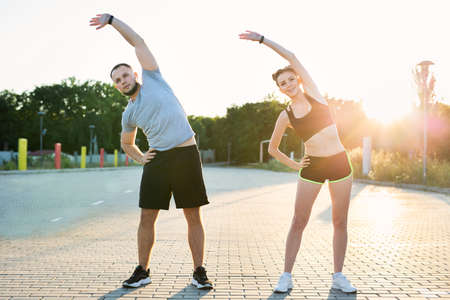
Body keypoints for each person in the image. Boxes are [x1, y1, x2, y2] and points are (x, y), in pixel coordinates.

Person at [89, 13, 213, 290]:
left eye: (124, 75)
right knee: (147, 217)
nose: (122, 81)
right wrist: (141, 157)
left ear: (134, 73)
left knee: (193, 216)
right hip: (158, 161)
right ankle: (142, 270)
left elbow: (138, 41)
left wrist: (111, 20)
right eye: (117, 80)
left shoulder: (154, 78)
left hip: (186, 155)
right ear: (115, 86)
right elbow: (126, 143)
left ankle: (199, 271)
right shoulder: (128, 113)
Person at [239, 31, 356, 293]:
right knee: (298, 221)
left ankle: (338, 276)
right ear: (279, 89)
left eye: (292, 79)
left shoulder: (315, 94)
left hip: (339, 163)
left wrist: (262, 40)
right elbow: (272, 148)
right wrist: (294, 166)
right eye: (283, 83)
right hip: (312, 166)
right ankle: (286, 276)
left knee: (340, 221)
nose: (289, 84)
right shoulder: (286, 115)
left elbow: (291, 56)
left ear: (299, 80)